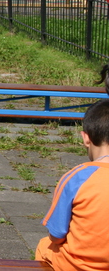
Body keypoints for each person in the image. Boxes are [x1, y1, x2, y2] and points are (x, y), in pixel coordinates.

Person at [34, 99, 109, 270]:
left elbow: (57, 235)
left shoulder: (78, 177)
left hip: (78, 266)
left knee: (44, 245)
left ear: (86, 138)